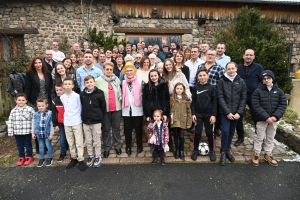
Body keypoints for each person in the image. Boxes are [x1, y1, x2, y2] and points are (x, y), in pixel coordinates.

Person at [251, 70, 287, 167]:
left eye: (268, 78)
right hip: (262, 119)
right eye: (264, 79)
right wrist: (266, 117)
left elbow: (282, 104)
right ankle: (256, 153)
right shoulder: (257, 91)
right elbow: (255, 105)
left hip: (273, 120)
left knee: (270, 137)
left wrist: (275, 116)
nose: (266, 80)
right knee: (259, 137)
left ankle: (268, 154)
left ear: (273, 79)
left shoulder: (278, 91)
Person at [218, 62, 247, 166]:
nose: (230, 71)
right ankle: (222, 152)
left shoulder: (241, 81)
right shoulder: (221, 81)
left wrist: (239, 112)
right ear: (226, 70)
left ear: (236, 69)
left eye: (232, 68)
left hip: (236, 113)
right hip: (225, 112)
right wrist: (227, 112)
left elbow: (243, 98)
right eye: (228, 69)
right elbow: (220, 97)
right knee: (225, 131)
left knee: (231, 132)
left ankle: (227, 150)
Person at [235, 49, 263, 146]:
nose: (249, 57)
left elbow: (262, 81)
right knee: (238, 118)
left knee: (257, 117)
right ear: (243, 56)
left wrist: (258, 92)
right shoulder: (238, 68)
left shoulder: (258, 68)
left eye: (251, 55)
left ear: (254, 56)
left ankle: (260, 139)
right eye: (247, 55)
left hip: (253, 96)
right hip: (240, 96)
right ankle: (240, 137)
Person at [25, 56, 53, 153]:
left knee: (46, 123)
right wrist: (26, 99)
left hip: (46, 101)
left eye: (39, 62)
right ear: (33, 65)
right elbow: (28, 87)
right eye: (36, 63)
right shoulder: (30, 74)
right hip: (35, 101)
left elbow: (50, 87)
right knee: (38, 124)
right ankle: (38, 146)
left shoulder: (48, 73)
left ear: (42, 63)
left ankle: (47, 145)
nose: (38, 64)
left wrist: (50, 99)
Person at [95, 62, 122, 158]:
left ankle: (117, 146)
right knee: (106, 129)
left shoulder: (117, 80)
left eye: (111, 69)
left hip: (117, 108)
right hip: (105, 109)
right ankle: (106, 147)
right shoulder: (98, 81)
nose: (109, 71)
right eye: (107, 69)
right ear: (104, 70)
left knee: (116, 128)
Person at [60, 78, 86, 171]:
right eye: (65, 84)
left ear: (73, 86)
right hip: (67, 121)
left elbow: (80, 108)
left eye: (69, 84)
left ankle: (81, 159)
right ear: (63, 86)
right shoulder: (62, 97)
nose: (67, 86)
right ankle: (73, 158)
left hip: (76, 121)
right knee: (70, 141)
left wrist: (80, 119)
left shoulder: (76, 96)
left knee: (79, 141)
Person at [191, 68, 217, 161]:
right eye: (200, 75)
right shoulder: (195, 88)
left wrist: (213, 115)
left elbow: (214, 102)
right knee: (197, 133)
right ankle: (195, 150)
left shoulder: (212, 87)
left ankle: (212, 151)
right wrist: (193, 113)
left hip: (208, 114)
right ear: (198, 77)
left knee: (209, 133)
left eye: (204, 75)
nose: (202, 77)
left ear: (208, 76)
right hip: (198, 114)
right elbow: (193, 102)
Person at [80, 75, 106, 168]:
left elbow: (103, 107)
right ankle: (91, 156)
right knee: (88, 140)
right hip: (86, 121)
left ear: (94, 82)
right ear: (84, 84)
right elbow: (81, 106)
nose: (89, 84)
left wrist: (100, 117)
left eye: (91, 82)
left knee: (97, 140)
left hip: (96, 121)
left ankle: (98, 156)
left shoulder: (100, 93)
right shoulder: (82, 94)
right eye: (87, 82)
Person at [121, 62, 144, 155]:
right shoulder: (123, 82)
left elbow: (143, 94)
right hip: (126, 109)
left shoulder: (140, 81)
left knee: (138, 129)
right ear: (125, 72)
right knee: (127, 129)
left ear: (134, 71)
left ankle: (139, 146)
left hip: (137, 108)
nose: (129, 72)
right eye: (127, 71)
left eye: (131, 70)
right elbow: (121, 94)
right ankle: (128, 147)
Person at [7, 93, 35, 166]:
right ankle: (21, 157)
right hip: (17, 132)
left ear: (26, 101)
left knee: (28, 144)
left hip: (27, 131)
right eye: (19, 100)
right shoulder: (13, 111)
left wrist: (33, 131)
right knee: (19, 145)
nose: (21, 101)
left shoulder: (30, 109)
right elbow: (10, 121)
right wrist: (10, 131)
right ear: (16, 101)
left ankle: (29, 156)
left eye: (23, 100)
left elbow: (34, 120)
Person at [170, 82, 192, 159]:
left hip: (183, 119)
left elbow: (189, 111)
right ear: (175, 89)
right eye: (177, 88)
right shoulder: (172, 99)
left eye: (180, 89)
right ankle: (177, 150)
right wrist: (169, 121)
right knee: (175, 135)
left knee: (181, 136)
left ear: (183, 90)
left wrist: (189, 122)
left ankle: (182, 150)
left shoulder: (186, 99)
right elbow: (169, 110)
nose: (179, 90)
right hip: (175, 119)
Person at [32, 98, 54, 167]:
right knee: (41, 146)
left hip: (47, 133)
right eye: (39, 106)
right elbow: (33, 124)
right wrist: (33, 133)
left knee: (48, 145)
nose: (41, 107)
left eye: (42, 105)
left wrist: (51, 134)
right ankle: (42, 158)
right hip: (39, 134)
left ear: (46, 105)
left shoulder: (49, 113)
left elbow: (51, 125)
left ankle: (50, 158)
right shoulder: (35, 114)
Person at [51, 82, 68, 162]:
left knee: (71, 138)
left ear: (64, 90)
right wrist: (55, 124)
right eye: (57, 90)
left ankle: (73, 153)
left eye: (60, 90)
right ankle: (63, 153)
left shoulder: (68, 98)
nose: (58, 92)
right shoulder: (54, 101)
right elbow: (54, 114)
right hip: (61, 123)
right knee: (62, 139)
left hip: (69, 122)